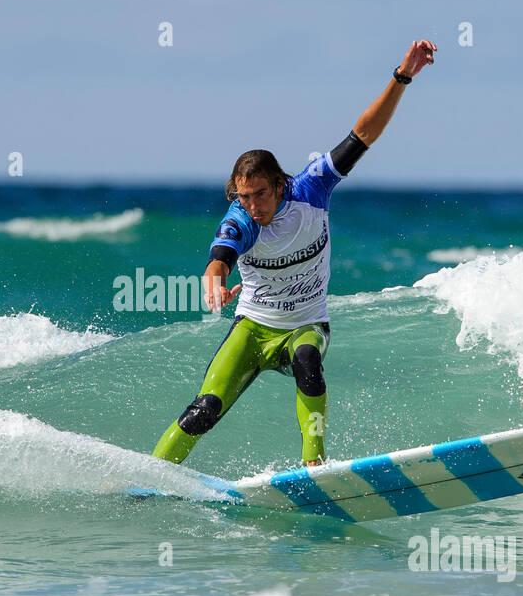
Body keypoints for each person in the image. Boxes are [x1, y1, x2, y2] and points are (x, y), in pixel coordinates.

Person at [152, 40, 437, 467]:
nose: (252, 205)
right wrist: (214, 285)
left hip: (305, 325)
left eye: (259, 194)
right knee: (203, 411)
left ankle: (314, 465)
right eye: (243, 196)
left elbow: (362, 134)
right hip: (252, 328)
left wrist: (402, 77)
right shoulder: (241, 219)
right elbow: (219, 260)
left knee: (307, 361)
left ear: (280, 185)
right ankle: (148, 479)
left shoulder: (312, 188)